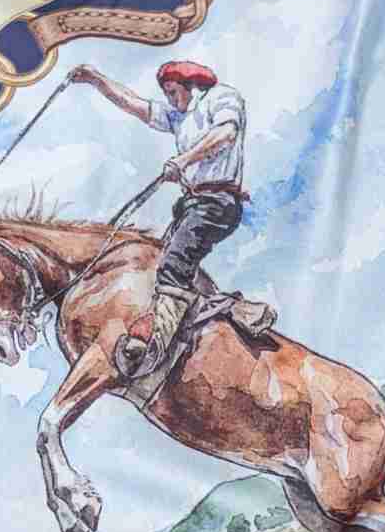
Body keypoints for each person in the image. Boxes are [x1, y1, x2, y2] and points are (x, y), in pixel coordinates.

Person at [70, 60, 251, 379]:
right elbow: (135, 105)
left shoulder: (222, 97)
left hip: (217, 202)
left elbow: (226, 133)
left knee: (173, 265)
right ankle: (199, 320)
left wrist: (183, 160)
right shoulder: (179, 115)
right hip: (192, 203)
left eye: (172, 92)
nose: (169, 99)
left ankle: (152, 351)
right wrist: (96, 79)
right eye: (166, 94)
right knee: (159, 264)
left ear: (191, 87)